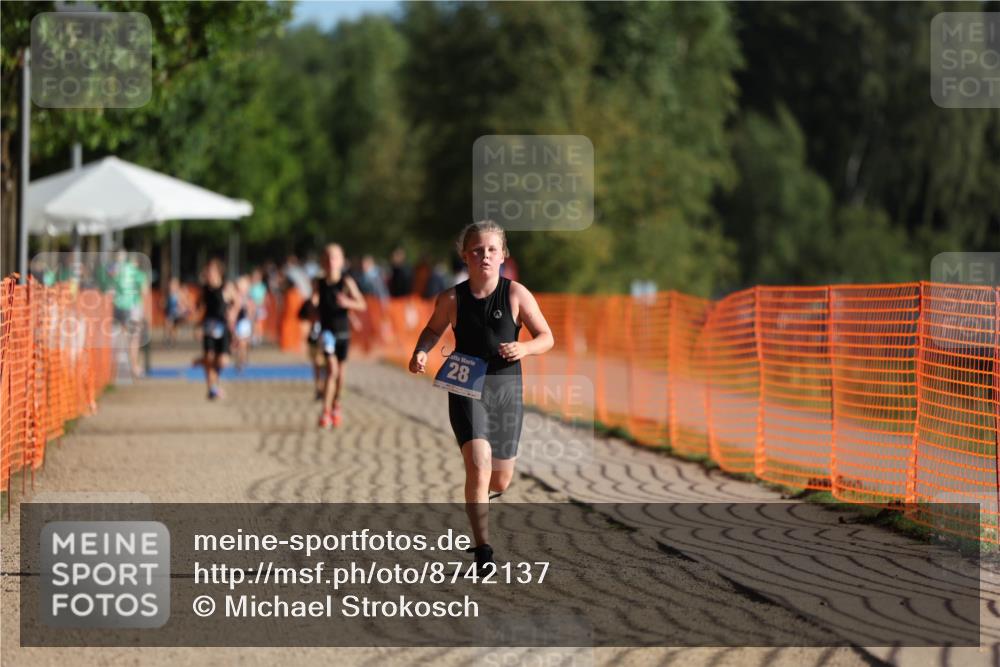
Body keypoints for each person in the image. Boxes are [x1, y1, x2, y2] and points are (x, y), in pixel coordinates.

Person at [408, 220, 553, 573]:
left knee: (500, 479)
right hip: (465, 384)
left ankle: (480, 498)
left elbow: (547, 336)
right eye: (476, 250)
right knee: (479, 463)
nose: (484, 256)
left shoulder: (517, 294)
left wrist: (525, 347)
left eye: (491, 250)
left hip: (506, 389)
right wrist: (422, 351)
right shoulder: (452, 298)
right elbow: (431, 330)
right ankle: (483, 548)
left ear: (503, 255)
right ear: (465, 256)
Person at [316, 244, 367, 428]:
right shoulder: (319, 282)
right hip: (327, 333)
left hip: (343, 333)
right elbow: (315, 303)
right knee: (332, 371)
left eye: (334, 257)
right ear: (322, 261)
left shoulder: (346, 282)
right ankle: (325, 411)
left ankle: (336, 404)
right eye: (328, 257)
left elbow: (362, 304)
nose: (331, 261)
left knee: (340, 375)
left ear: (341, 261)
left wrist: (348, 303)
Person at [197, 259, 237, 400]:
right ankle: (212, 389)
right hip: (208, 326)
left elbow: (236, 302)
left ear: (219, 272)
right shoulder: (205, 289)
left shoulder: (227, 287)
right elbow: (200, 308)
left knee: (222, 361)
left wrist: (233, 313)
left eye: (212, 270)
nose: (209, 273)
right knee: (209, 358)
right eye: (208, 270)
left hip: (223, 327)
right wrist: (198, 326)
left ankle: (200, 363)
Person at [109, 249, 148, 379]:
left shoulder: (116, 269)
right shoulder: (137, 273)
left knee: (119, 337)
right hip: (132, 308)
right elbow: (144, 292)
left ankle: (118, 367)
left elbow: (108, 283)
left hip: (116, 306)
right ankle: (134, 366)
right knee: (133, 339)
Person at [298, 277, 325, 400]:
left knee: (325, 363)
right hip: (313, 336)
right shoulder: (308, 302)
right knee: (317, 364)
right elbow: (300, 317)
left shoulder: (325, 300)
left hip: (325, 336)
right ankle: (319, 388)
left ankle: (326, 387)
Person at [233, 275, 255, 372]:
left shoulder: (248, 298)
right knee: (239, 344)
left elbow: (252, 311)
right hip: (237, 322)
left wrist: (251, 321)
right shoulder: (235, 296)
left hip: (244, 323)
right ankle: (240, 361)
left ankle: (242, 361)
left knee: (243, 344)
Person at [163, 277, 189, 347]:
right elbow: (165, 303)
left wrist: (182, 307)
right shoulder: (168, 294)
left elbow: (185, 303)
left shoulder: (179, 294)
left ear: (176, 286)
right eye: (170, 285)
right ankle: (168, 339)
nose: (171, 287)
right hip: (169, 313)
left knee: (174, 328)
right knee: (168, 324)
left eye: (173, 285)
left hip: (177, 313)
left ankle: (173, 340)